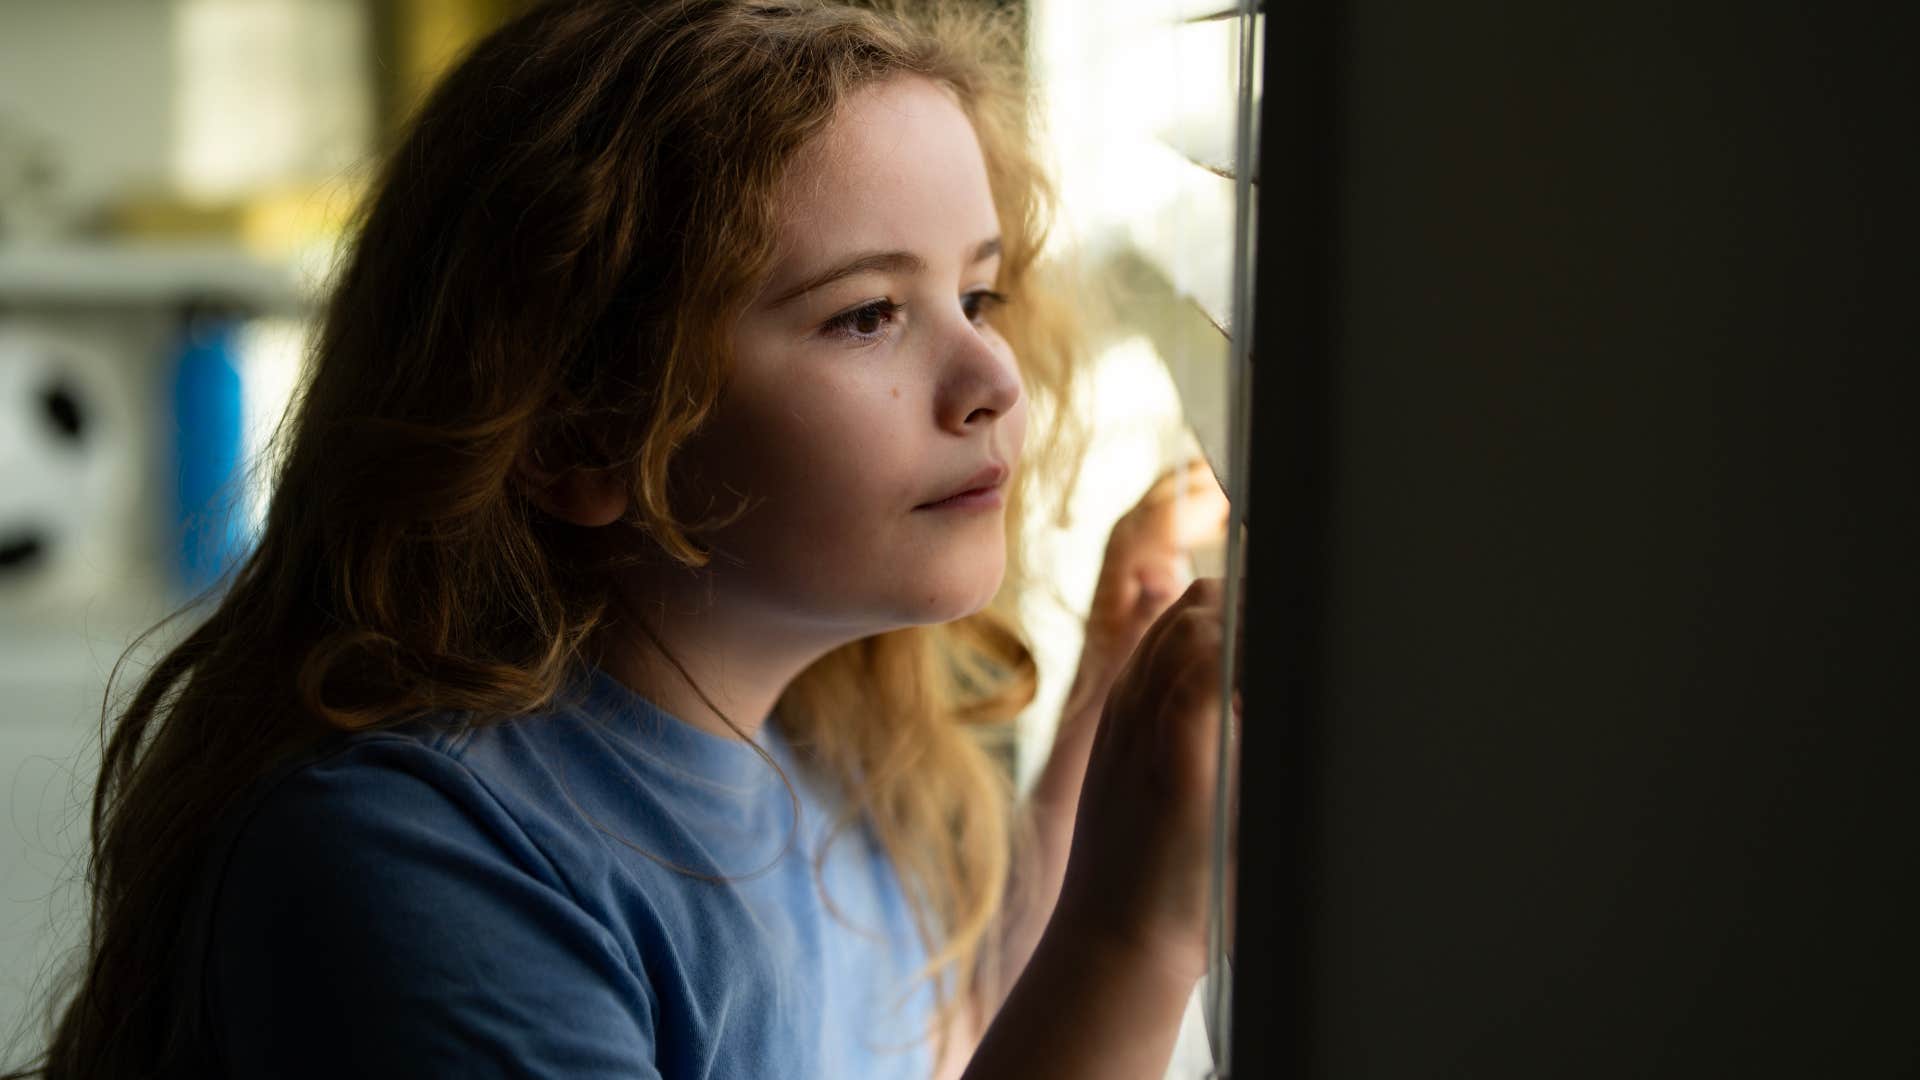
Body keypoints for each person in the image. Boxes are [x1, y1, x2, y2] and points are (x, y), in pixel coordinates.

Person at [8, 2, 1236, 1077]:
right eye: (867, 315)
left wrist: (1106, 730)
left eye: (978, 296)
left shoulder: (817, 756)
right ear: (577, 435)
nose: (992, 380)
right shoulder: (414, 859)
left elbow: (935, 1046)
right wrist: (1132, 942)